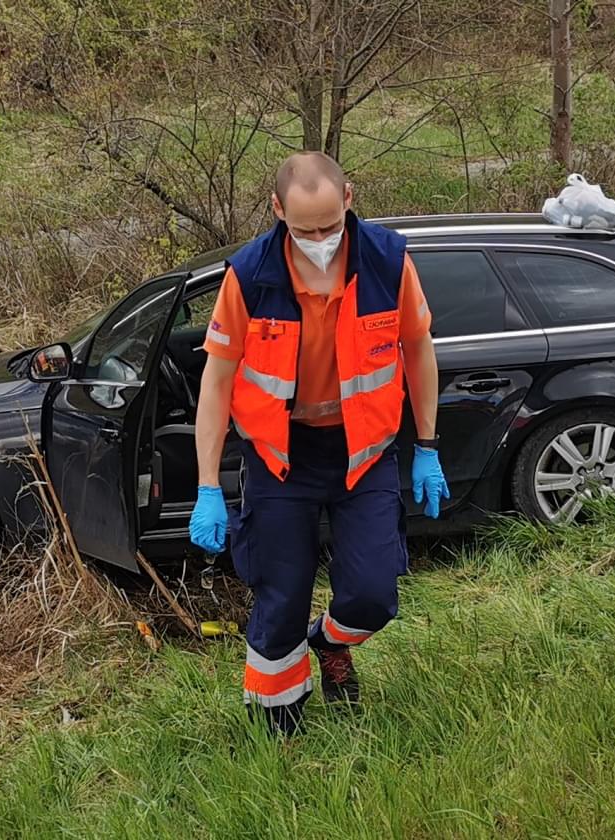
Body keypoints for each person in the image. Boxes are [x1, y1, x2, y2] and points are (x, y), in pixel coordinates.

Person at [189, 151, 448, 735]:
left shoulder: (387, 261)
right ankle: (278, 730)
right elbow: (217, 380)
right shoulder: (250, 276)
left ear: (349, 199)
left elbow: (418, 349)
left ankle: (329, 642)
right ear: (277, 210)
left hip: (364, 453)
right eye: (304, 231)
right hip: (282, 458)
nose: (319, 241)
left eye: (329, 226)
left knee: (374, 592)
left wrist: (428, 446)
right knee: (280, 596)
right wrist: (207, 486)